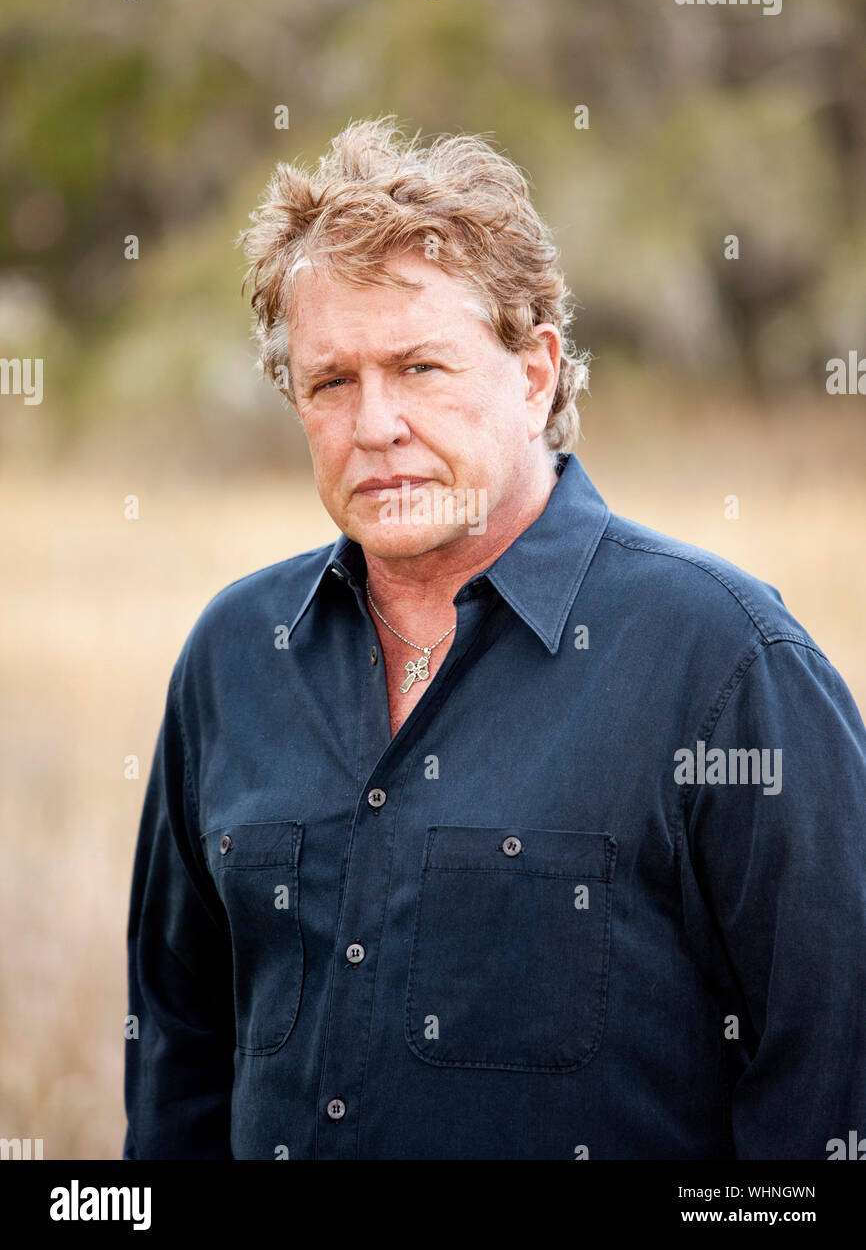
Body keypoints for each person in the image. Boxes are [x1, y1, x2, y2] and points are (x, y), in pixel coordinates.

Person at [124, 117, 866, 1160]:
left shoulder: (726, 663)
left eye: (420, 367)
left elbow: (830, 1089)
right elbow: (177, 1062)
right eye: (330, 380)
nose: (372, 423)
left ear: (532, 374)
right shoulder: (235, 656)